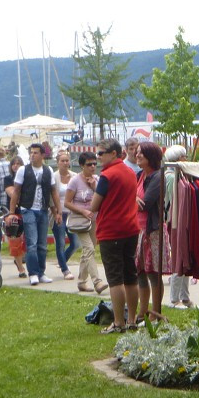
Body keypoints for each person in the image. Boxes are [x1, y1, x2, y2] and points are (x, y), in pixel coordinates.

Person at [90, 138, 140, 333]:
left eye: (101, 153)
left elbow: (94, 205)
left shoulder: (107, 176)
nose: (98, 157)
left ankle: (119, 322)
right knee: (131, 276)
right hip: (131, 228)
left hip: (111, 230)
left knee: (115, 279)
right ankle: (133, 319)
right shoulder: (130, 172)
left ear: (113, 154)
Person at [8, 143, 63, 286]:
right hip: (28, 209)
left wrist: (57, 211)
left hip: (43, 209)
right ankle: (33, 273)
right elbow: (16, 191)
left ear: (43, 155)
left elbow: (53, 192)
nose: (32, 155)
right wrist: (12, 212)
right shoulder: (23, 170)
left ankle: (41, 272)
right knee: (32, 243)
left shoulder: (48, 170)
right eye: (31, 152)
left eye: (36, 153)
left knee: (42, 244)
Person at [65, 151, 106, 294]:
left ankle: (82, 282)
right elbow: (67, 203)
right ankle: (97, 282)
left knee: (88, 251)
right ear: (82, 165)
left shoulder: (97, 179)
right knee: (89, 249)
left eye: (95, 163)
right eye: (89, 164)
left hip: (93, 220)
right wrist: (82, 211)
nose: (93, 167)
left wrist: (95, 187)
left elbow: (102, 198)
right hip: (80, 221)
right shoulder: (75, 181)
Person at [135, 141, 165, 322]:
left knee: (153, 272)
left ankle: (155, 313)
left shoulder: (157, 177)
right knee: (140, 272)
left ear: (151, 157)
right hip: (138, 230)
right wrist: (133, 199)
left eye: (141, 153)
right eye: (137, 152)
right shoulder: (140, 175)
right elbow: (133, 199)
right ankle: (142, 312)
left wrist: (135, 200)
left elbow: (145, 203)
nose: (137, 155)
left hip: (152, 231)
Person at [162, 144, 192, 307]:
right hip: (175, 221)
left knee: (183, 256)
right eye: (184, 156)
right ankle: (175, 297)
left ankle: (184, 296)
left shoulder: (175, 175)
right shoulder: (173, 177)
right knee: (179, 256)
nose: (186, 159)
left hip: (176, 220)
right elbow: (174, 201)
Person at [51, 149, 76, 280]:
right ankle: (65, 270)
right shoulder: (54, 177)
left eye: (67, 160)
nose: (65, 163)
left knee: (75, 243)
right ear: (57, 162)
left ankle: (62, 261)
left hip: (71, 214)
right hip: (59, 213)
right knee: (60, 242)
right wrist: (56, 212)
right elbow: (52, 196)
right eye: (62, 161)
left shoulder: (74, 176)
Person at [4, 156, 27, 278]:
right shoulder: (8, 179)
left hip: (26, 211)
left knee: (28, 240)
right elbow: (12, 193)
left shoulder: (27, 178)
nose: (15, 166)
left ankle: (24, 260)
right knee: (15, 239)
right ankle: (21, 268)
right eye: (13, 163)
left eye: (18, 163)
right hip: (14, 213)